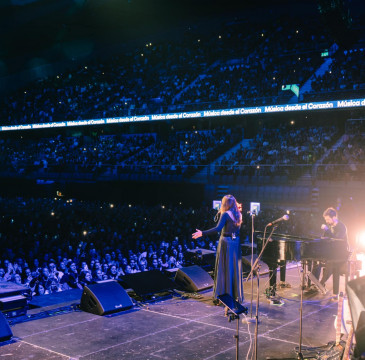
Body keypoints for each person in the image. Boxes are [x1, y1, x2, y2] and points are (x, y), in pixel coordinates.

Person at [192, 194, 244, 313]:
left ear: (225, 204)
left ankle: (222, 295)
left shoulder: (225, 214)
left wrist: (202, 233)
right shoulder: (238, 214)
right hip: (235, 243)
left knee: (223, 268)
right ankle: (235, 294)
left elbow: (217, 229)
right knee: (233, 268)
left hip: (226, 243)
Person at [310, 207, 348, 295]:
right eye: (325, 219)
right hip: (332, 252)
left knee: (330, 263)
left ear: (334, 217)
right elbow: (326, 239)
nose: (326, 221)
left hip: (341, 253)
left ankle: (320, 283)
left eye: (328, 219)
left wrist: (327, 230)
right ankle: (315, 283)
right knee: (316, 260)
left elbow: (337, 239)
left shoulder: (341, 227)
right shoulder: (330, 226)